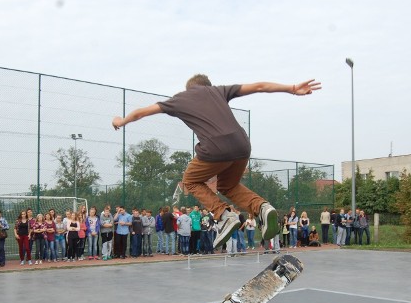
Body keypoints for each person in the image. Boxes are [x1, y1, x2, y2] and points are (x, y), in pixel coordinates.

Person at [112, 75, 321, 250]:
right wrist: (292, 88)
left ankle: (224, 215)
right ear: (207, 85)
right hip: (242, 145)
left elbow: (141, 112)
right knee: (227, 185)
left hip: (213, 148)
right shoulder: (218, 91)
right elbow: (259, 86)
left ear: (188, 88)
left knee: (190, 180)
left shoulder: (179, 99)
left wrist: (122, 121)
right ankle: (263, 207)